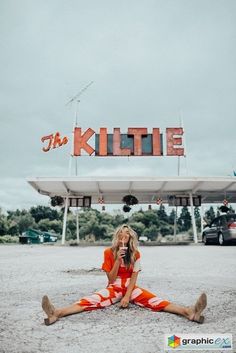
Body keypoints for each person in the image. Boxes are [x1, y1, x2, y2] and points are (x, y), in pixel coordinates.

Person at [42, 224, 207, 326]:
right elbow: (111, 279)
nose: (123, 237)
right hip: (114, 286)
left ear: (130, 238)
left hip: (130, 286)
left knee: (155, 301)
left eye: (126, 234)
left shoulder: (136, 253)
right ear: (117, 237)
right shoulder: (108, 252)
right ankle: (56, 313)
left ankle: (189, 312)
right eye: (121, 234)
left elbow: (134, 277)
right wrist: (117, 260)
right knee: (91, 300)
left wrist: (127, 296)